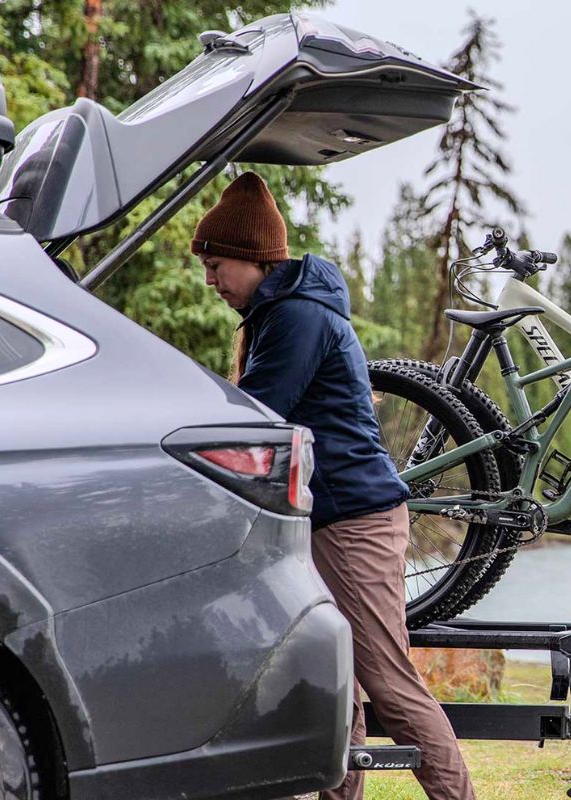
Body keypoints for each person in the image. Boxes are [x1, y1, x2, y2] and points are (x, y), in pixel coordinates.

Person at [190, 172, 476, 800]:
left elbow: (260, 415)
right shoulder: (275, 313)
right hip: (325, 522)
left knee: (388, 682)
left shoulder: (295, 317)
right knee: (335, 679)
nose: (211, 282)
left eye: (216, 266)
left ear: (253, 257)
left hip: (355, 520)